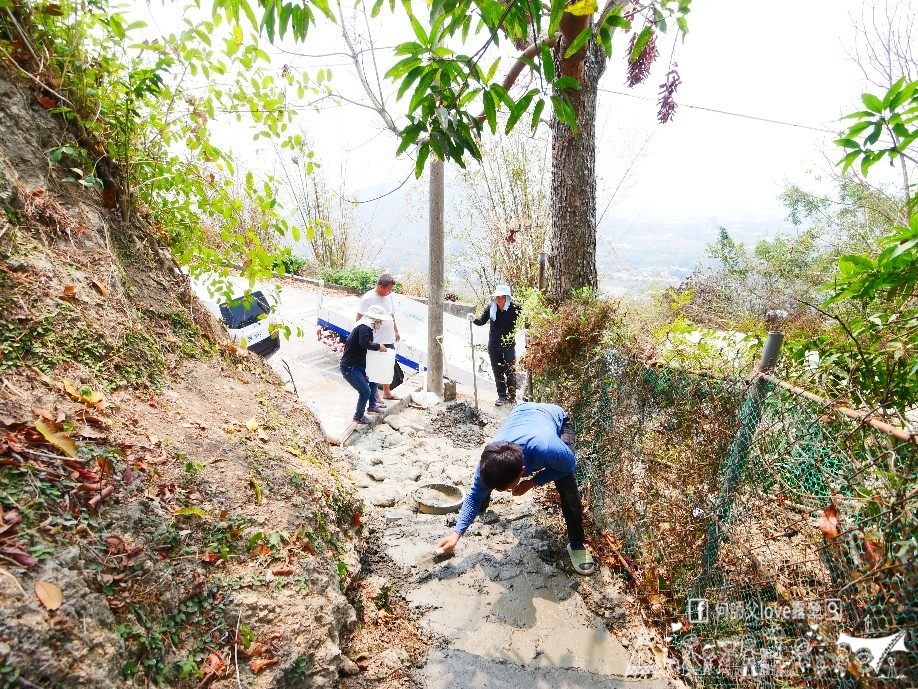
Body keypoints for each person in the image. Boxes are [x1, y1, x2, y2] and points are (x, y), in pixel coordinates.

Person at [435, 402, 596, 575]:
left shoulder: (548, 449)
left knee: (567, 487)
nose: (504, 492)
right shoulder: (487, 462)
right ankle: (481, 509)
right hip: (521, 413)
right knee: (482, 490)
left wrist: (533, 482)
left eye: (506, 488)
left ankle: (577, 544)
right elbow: (473, 496)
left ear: (522, 471)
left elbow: (569, 465)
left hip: (555, 418)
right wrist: (456, 534)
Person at [340, 305, 390, 425]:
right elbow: (364, 343)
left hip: (358, 364)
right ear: (375, 319)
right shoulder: (364, 327)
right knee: (365, 392)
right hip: (350, 367)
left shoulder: (366, 327)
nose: (381, 323)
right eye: (380, 320)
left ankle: (372, 406)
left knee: (373, 379)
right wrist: (378, 346)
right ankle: (358, 416)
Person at [470, 284, 518, 406]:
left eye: (501, 297)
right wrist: (473, 319)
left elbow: (526, 320)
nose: (499, 299)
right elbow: (481, 321)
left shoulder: (515, 308)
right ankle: (501, 396)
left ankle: (512, 396)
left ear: (507, 298)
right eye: (497, 297)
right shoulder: (491, 308)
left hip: (508, 345)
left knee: (510, 371)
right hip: (494, 345)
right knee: (498, 371)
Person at [357, 274, 401, 404]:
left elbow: (391, 314)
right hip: (375, 338)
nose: (390, 292)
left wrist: (396, 330)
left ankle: (387, 392)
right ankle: (375, 394)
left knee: (388, 365)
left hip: (389, 337)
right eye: (389, 289)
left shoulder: (389, 297)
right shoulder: (367, 298)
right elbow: (359, 318)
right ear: (381, 287)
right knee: (374, 367)